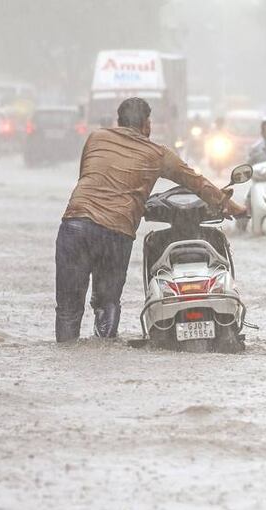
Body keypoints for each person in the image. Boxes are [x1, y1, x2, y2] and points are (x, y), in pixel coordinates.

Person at [56, 97, 245, 343]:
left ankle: (66, 354)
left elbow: (89, 177)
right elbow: (198, 183)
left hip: (75, 224)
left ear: (118, 122)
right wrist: (232, 207)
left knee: (68, 307)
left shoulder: (96, 138)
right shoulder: (157, 154)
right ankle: (103, 350)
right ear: (147, 125)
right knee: (106, 302)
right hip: (116, 231)